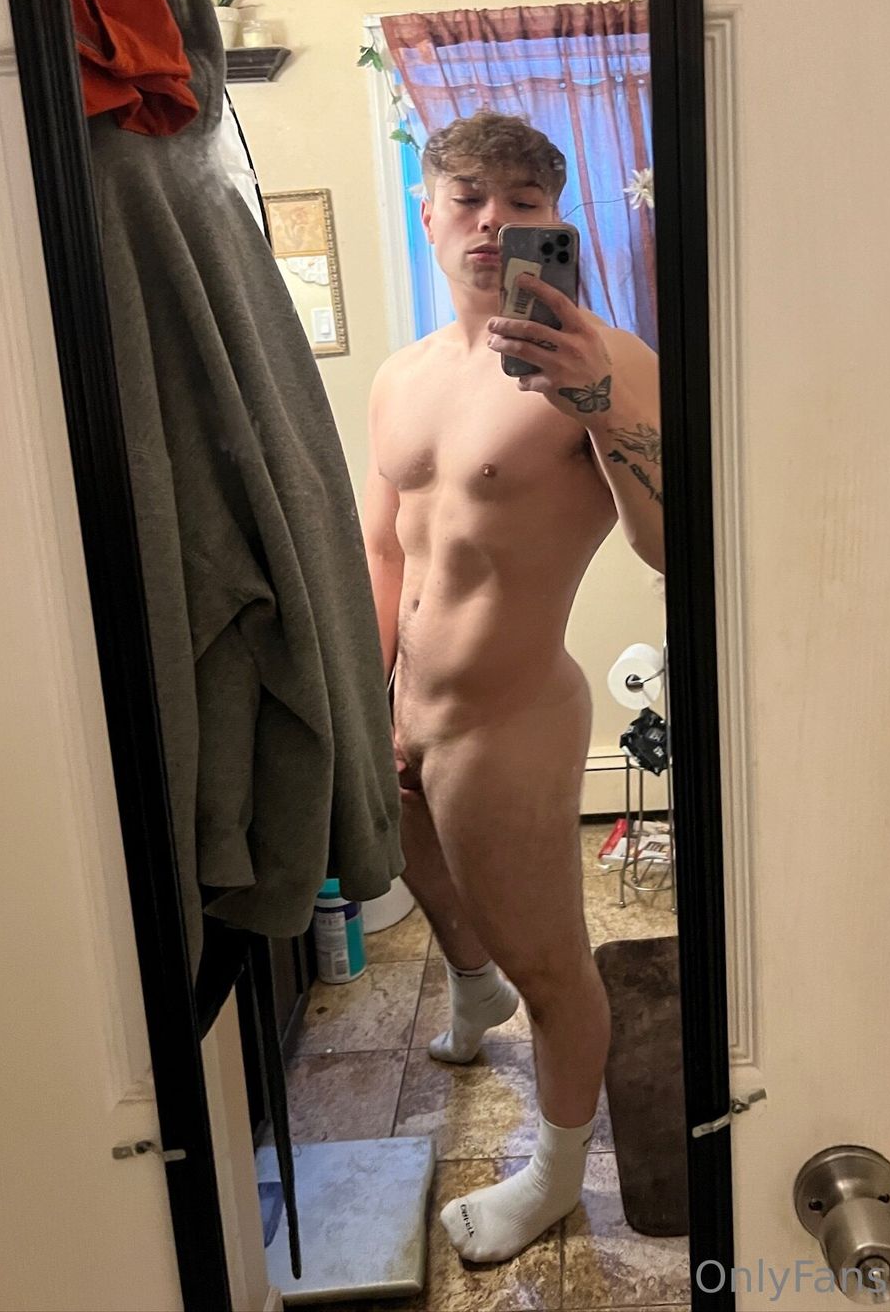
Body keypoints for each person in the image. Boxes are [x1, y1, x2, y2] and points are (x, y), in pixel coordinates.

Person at [363, 109, 664, 1263]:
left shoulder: (605, 359)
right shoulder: (402, 376)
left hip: (511, 718)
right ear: (429, 215)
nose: (495, 221)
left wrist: (601, 405)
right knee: (428, 875)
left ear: (556, 221)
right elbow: (382, 547)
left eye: (524, 203)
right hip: (409, 701)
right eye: (470, 197)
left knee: (552, 963)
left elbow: (670, 545)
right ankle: (469, 988)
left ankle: (553, 1174)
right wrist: (371, 694)